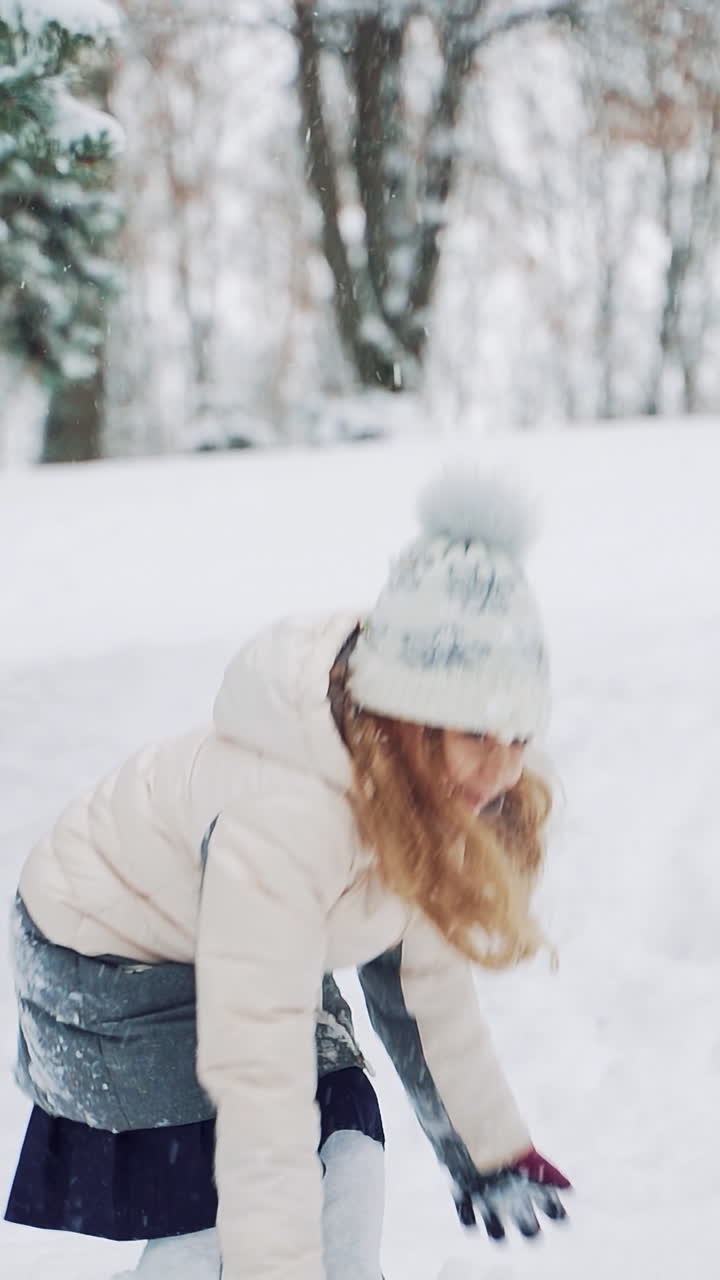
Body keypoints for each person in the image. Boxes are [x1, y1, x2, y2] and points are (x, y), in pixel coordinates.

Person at [5, 466, 571, 1280]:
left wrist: (488, 1151)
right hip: (103, 951)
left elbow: (424, 988)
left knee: (345, 1147)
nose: (500, 769)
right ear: (411, 719)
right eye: (477, 735)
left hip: (222, 933)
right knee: (218, 1206)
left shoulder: (433, 794)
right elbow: (255, 1069)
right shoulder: (289, 818)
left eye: (519, 737)